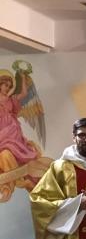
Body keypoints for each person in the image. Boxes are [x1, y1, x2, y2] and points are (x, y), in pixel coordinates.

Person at [0, 69, 43, 197]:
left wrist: (23, 77)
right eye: (5, 85)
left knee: (11, 147)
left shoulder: (11, 99)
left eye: (9, 86)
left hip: (12, 129)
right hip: (2, 129)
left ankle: (24, 176)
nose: (7, 88)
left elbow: (24, 93)